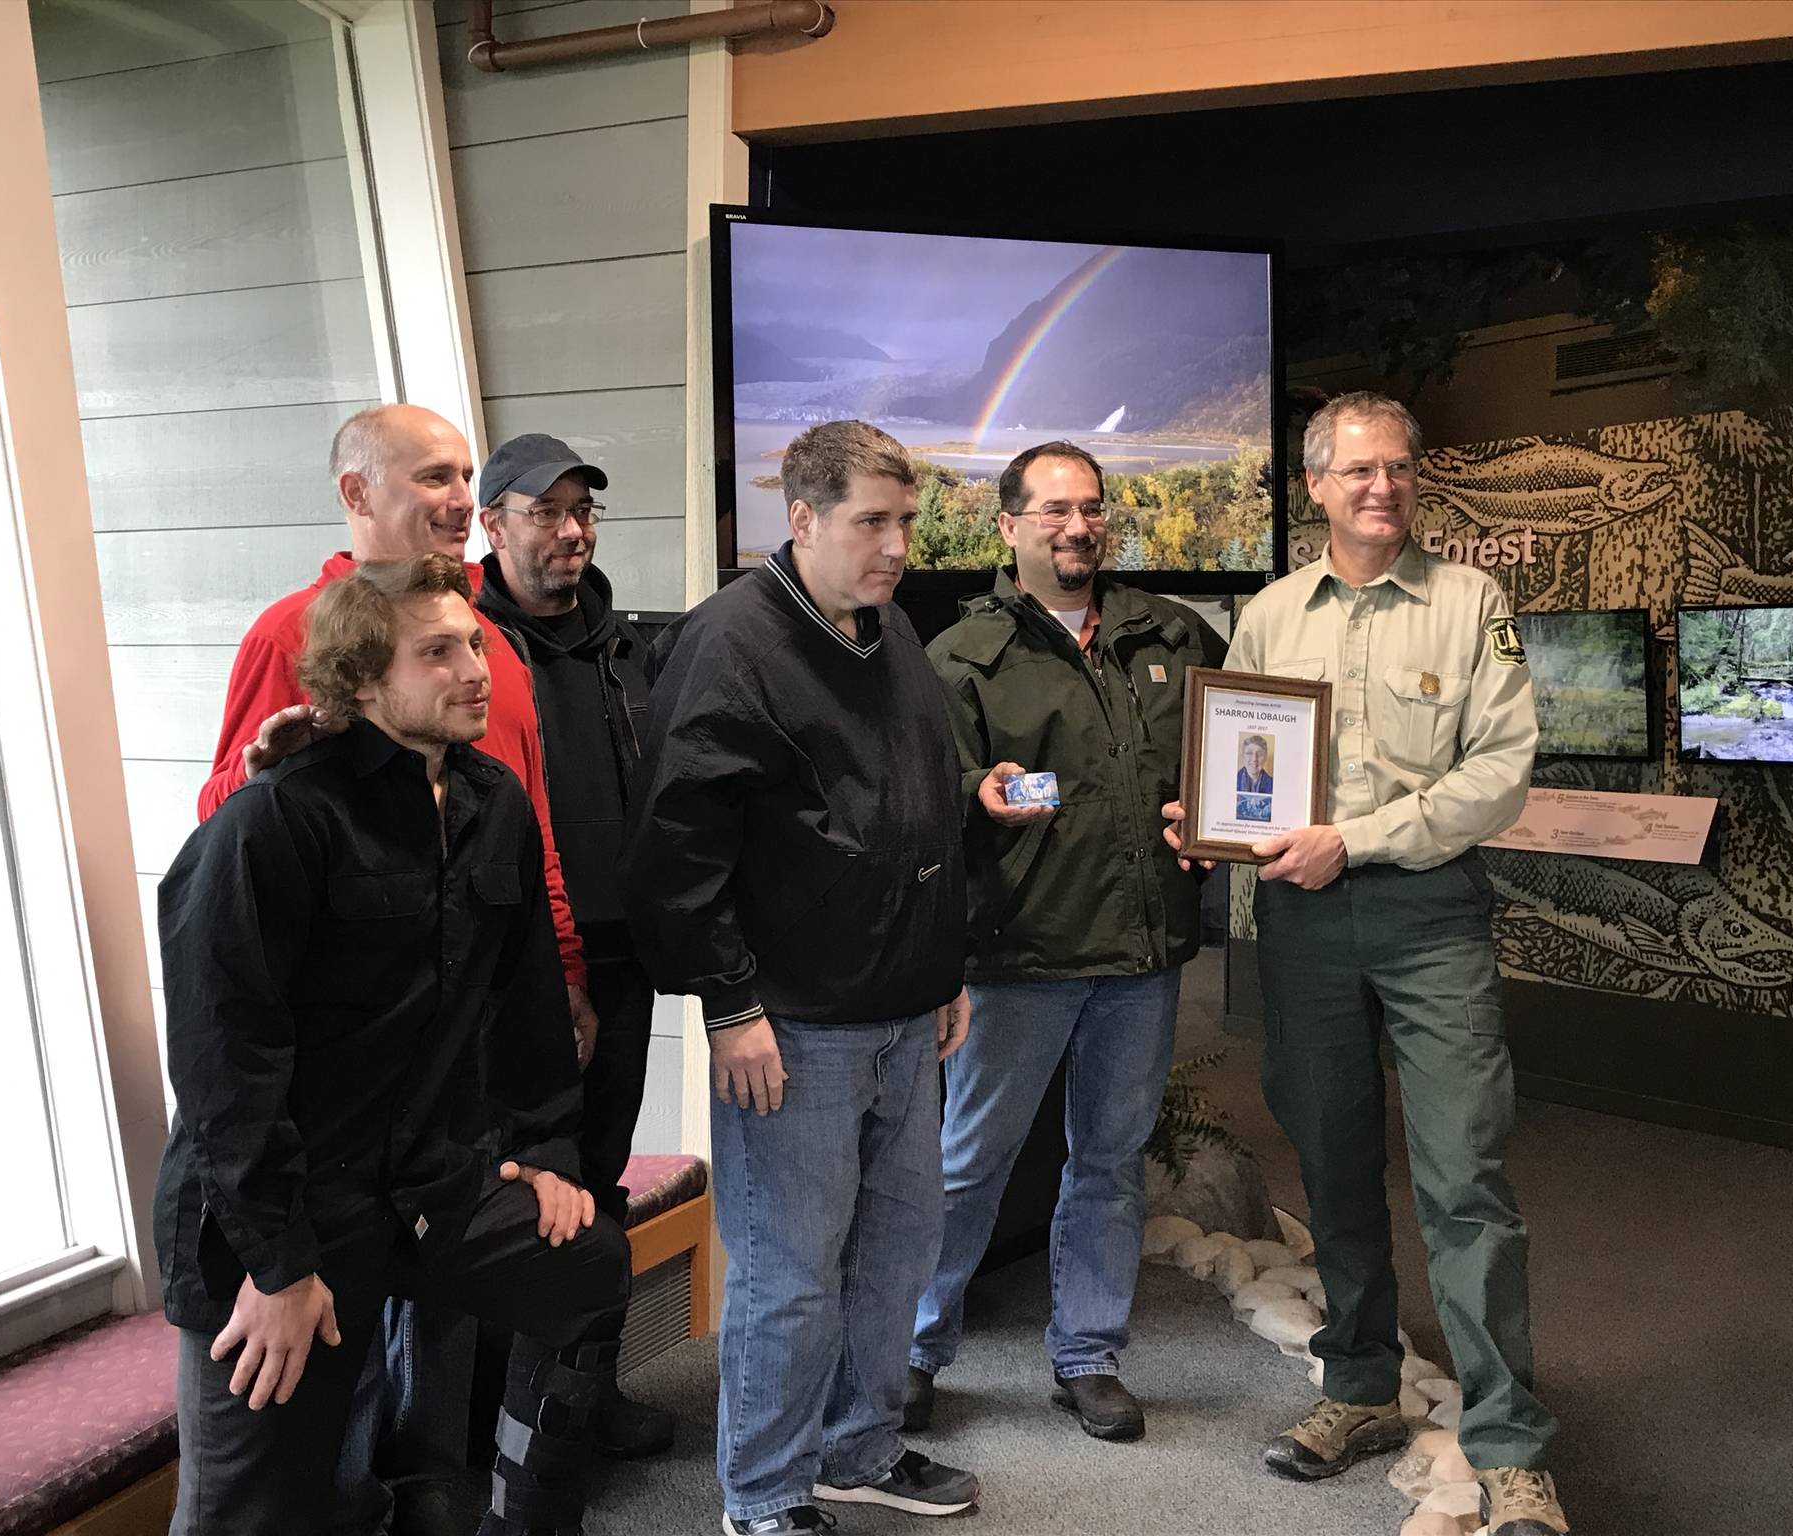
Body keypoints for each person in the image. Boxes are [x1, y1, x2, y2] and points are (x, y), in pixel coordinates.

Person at [155, 555, 630, 1536]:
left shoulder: (491, 801)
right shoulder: (273, 825)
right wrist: (278, 1266)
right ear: (360, 682)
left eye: (475, 643)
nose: (475, 668)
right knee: (253, 1511)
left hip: (427, 1178)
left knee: (582, 1262)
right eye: (438, 652)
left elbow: (527, 1002)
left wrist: (543, 1156)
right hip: (282, 1210)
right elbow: (223, 1071)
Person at [1164, 392, 1565, 1536]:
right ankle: (1357, 1388)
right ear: (1316, 486)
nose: (1378, 487)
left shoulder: (1468, 602)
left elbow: (1498, 773)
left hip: (1427, 914)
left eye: (1395, 468)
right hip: (1298, 921)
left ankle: (1507, 1440)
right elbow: (1245, 766)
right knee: (1331, 1157)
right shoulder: (1270, 615)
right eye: (1356, 472)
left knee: (1463, 1176)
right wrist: (1207, 816)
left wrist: (1360, 839)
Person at [621, 420, 980, 1536]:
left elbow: (923, 802)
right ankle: (763, 1495)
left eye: (906, 522)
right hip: (792, 1030)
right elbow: (676, 852)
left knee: (895, 1253)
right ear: (803, 518)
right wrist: (730, 1007)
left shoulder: (890, 630)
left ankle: (857, 1449)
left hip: (902, 1013)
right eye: (870, 522)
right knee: (787, 1274)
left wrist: (943, 970)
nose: (894, 546)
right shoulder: (731, 643)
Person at [906, 440, 1227, 1442]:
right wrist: (972, 794)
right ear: (1007, 528)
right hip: (1019, 957)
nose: (1076, 526)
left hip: (1141, 958)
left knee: (1110, 1160)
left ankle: (1087, 1355)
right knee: (967, 1162)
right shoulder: (958, 658)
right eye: (1051, 511)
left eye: (1089, 508)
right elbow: (924, 799)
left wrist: (1216, 821)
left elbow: (1221, 770)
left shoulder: (1170, 636)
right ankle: (913, 1348)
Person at [473, 431, 672, 1458]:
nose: (570, 529)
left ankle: (578, 1401)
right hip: (509, 971)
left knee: (596, 1182)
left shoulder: (619, 645)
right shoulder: (461, 644)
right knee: (517, 1193)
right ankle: (493, 1433)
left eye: (580, 511)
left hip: (619, 960)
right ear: (492, 523)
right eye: (544, 512)